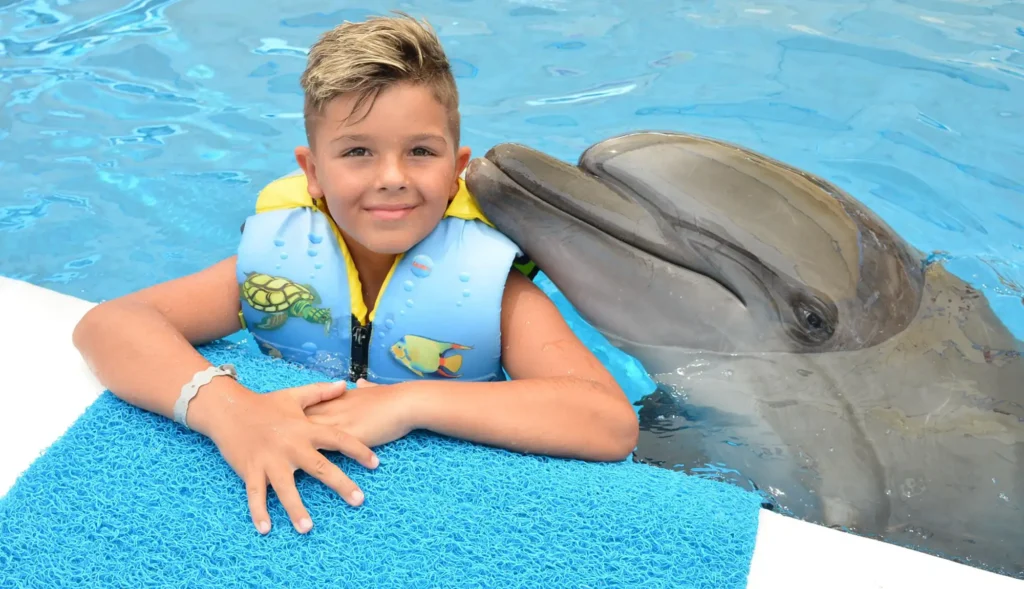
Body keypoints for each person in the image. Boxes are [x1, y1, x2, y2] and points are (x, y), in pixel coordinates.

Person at [72, 12, 638, 538]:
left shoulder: (492, 289)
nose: (391, 177)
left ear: (456, 171)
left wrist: (409, 403)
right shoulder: (278, 263)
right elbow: (110, 324)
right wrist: (231, 413)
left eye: (421, 151)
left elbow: (608, 421)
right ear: (313, 172)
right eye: (358, 152)